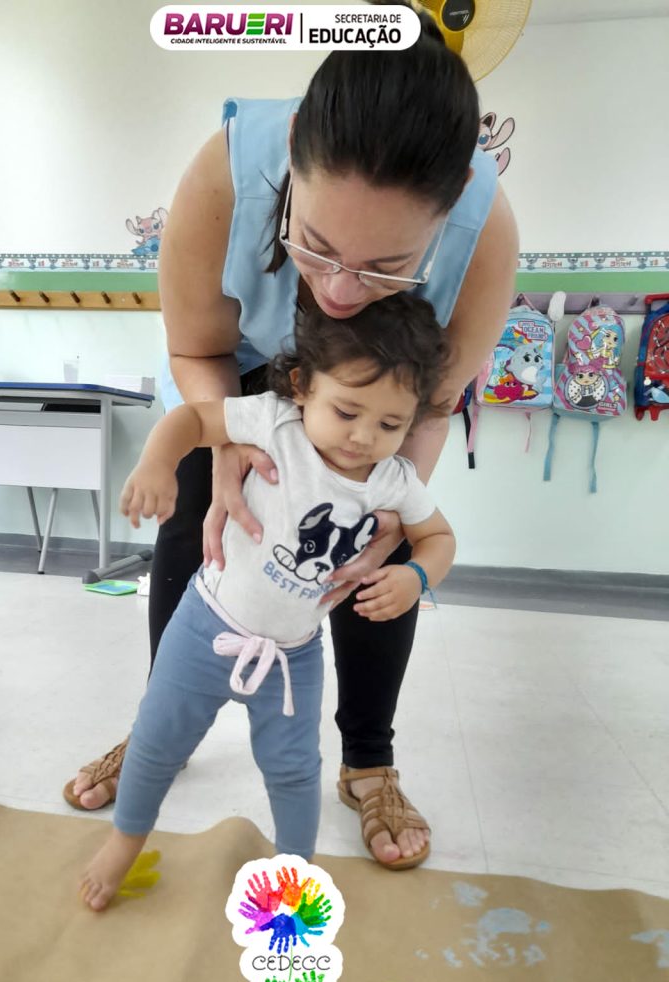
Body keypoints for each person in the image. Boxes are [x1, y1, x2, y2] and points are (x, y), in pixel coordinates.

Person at [65, 3, 518, 869]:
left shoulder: (485, 230)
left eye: (387, 267)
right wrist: (223, 448)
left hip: (383, 399)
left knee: (374, 553)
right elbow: (197, 348)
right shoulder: (227, 174)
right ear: (296, 145)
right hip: (237, 371)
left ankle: (369, 763)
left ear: (454, 197)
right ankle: (162, 723)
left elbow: (429, 406)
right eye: (315, 245)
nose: (341, 292)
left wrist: (388, 508)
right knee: (198, 521)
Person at [79, 294, 456, 910]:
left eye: (391, 425)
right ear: (303, 386)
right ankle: (124, 842)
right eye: (347, 411)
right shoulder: (274, 422)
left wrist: (416, 575)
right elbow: (190, 420)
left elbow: (439, 538)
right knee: (154, 744)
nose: (363, 437)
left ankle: (294, 875)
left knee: (295, 771)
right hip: (204, 629)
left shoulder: (393, 481)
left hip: (292, 658)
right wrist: (157, 463)